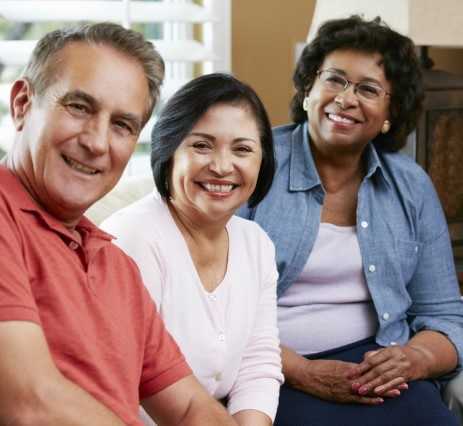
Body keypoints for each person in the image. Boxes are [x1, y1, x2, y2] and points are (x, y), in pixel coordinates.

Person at [0, 22, 238, 426]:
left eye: (122, 125)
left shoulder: (115, 265)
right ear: (23, 103)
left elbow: (189, 407)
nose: (96, 142)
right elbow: (30, 404)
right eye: (79, 107)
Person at [238, 15, 463, 426]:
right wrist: (302, 371)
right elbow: (211, 312)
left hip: (376, 364)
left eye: (368, 89)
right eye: (335, 80)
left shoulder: (410, 186)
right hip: (268, 366)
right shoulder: (252, 164)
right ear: (308, 90)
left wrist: (413, 359)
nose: (346, 98)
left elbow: (445, 315)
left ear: (390, 113)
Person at [101, 73, 283, 425]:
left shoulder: (255, 242)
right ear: (169, 151)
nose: (221, 166)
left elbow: (258, 363)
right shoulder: (131, 239)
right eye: (201, 145)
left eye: (242, 149)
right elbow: (121, 386)